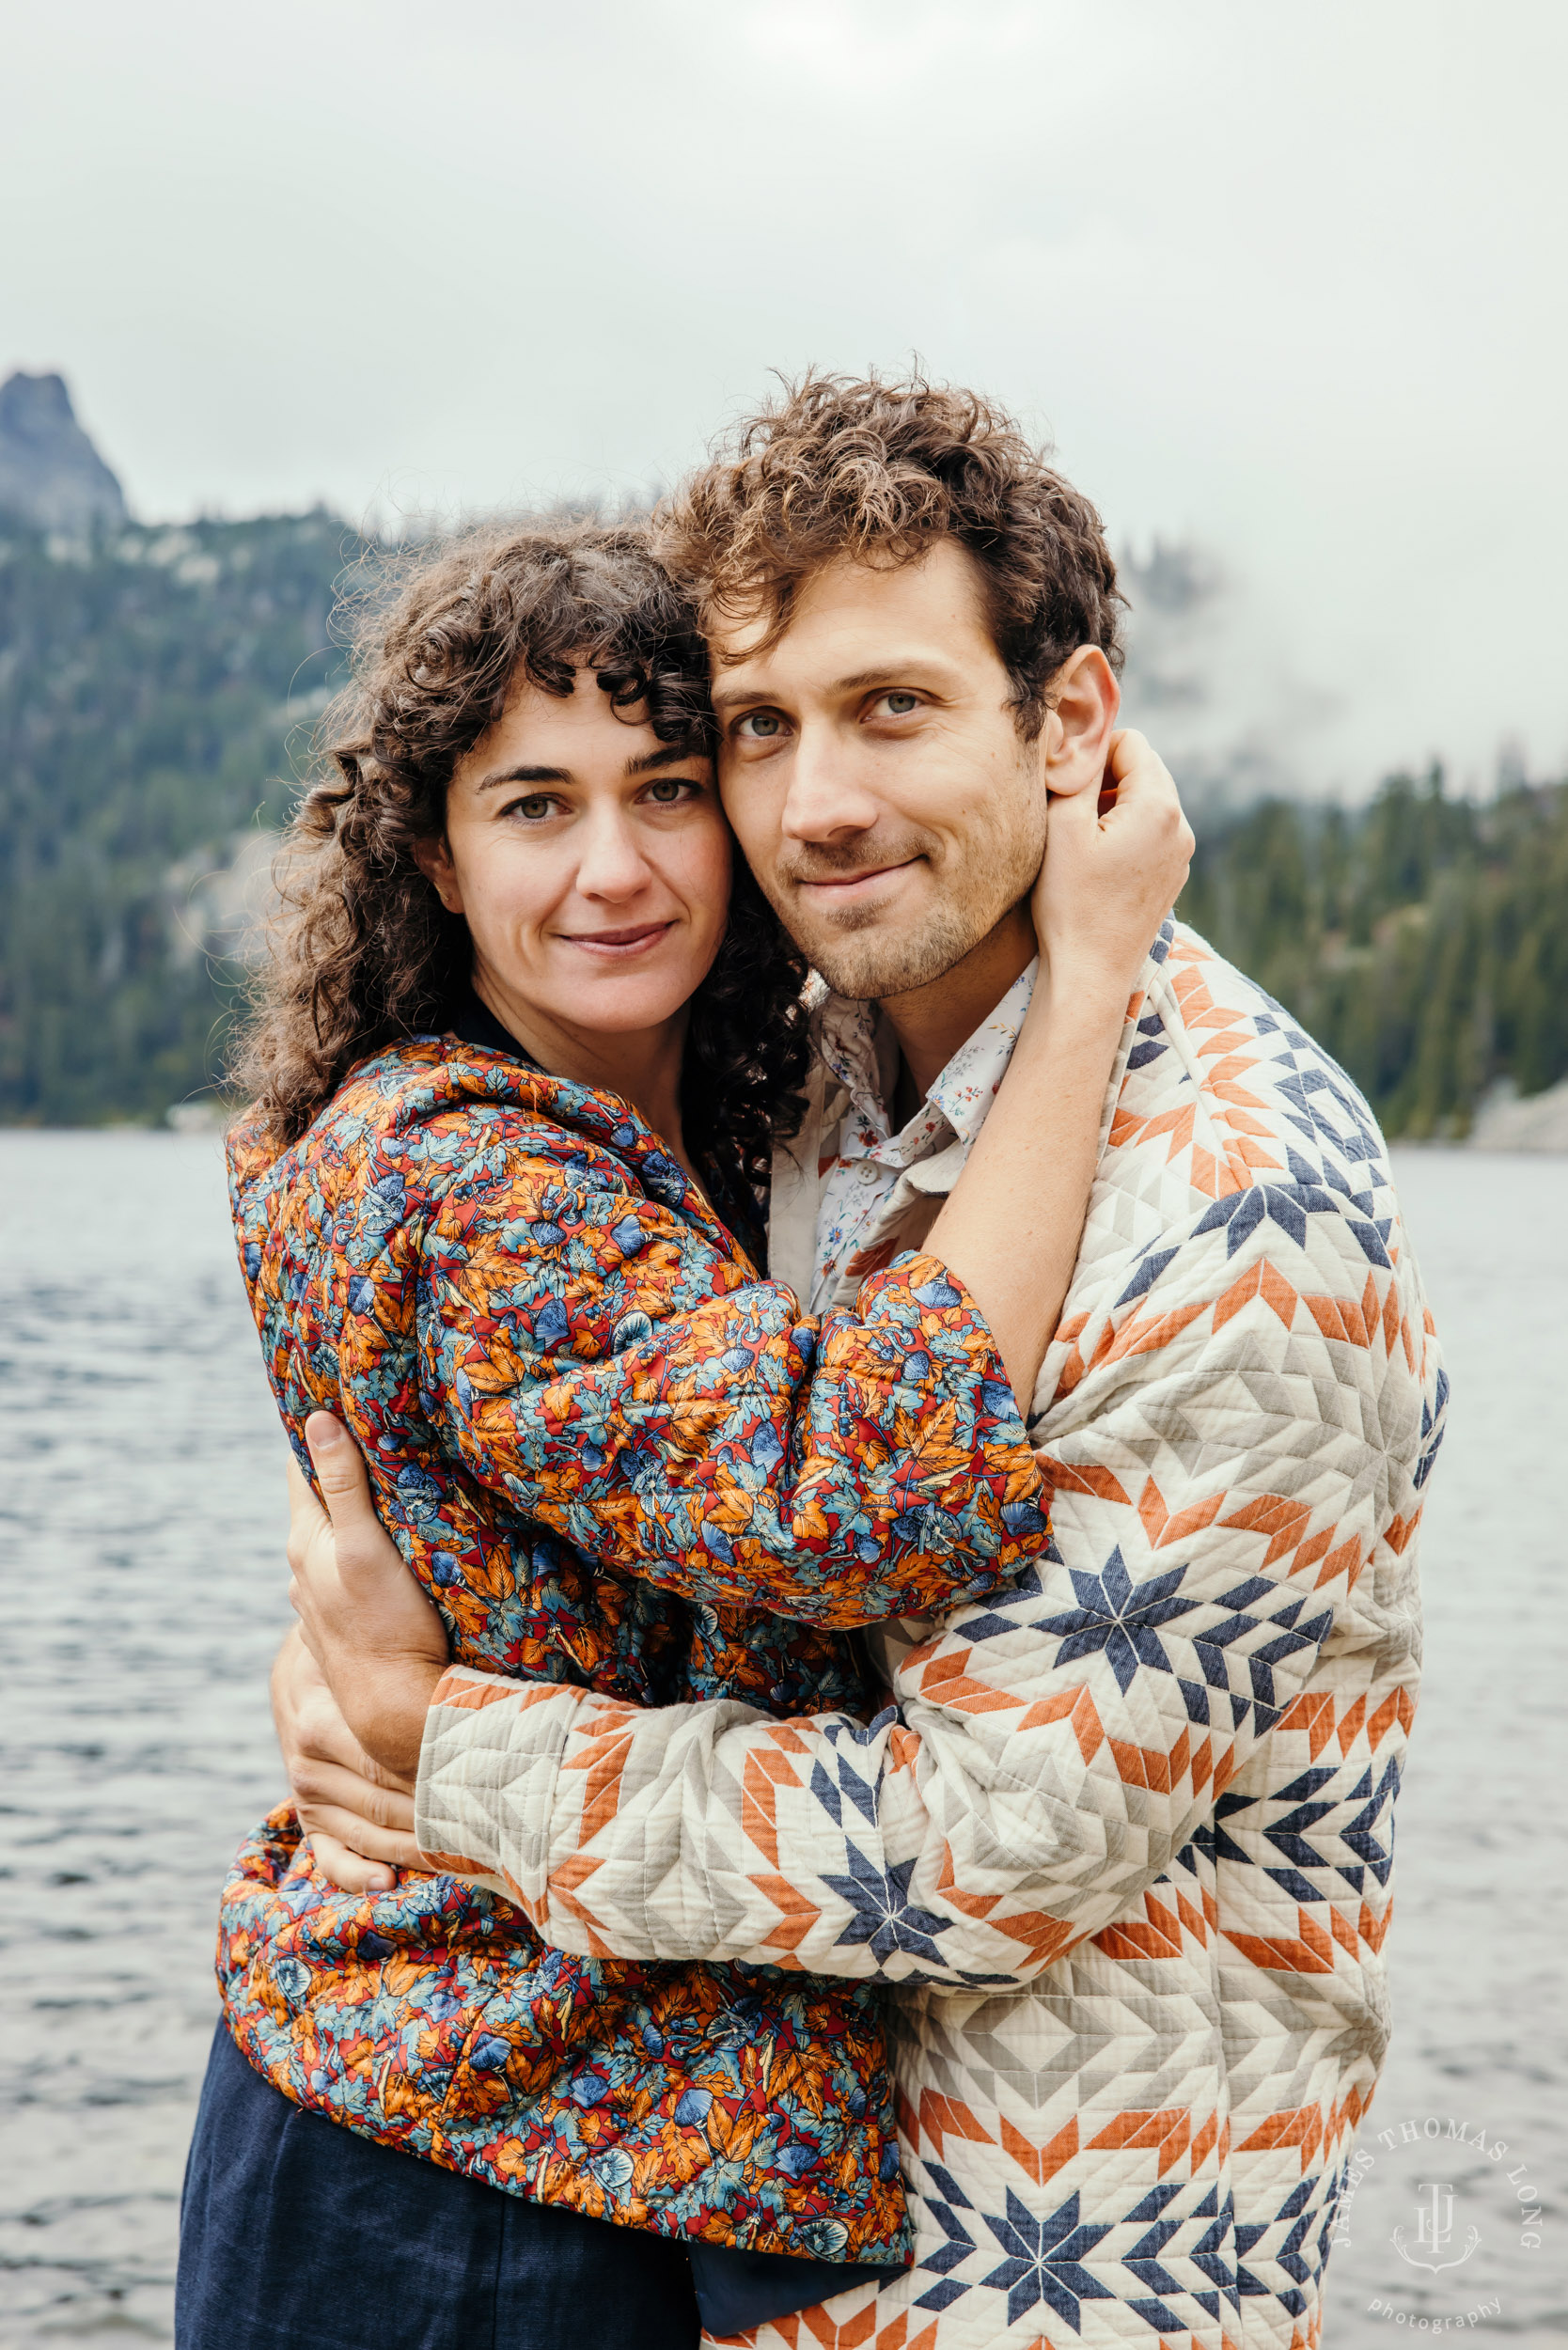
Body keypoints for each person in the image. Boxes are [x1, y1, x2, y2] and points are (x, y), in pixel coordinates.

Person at [285, 376, 1446, 2350]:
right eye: (756, 728)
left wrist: (443, 1747)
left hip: (1059, 2280)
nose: (812, 801)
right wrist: (380, 1609)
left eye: (891, 707)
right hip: (735, 2250)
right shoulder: (812, 1085)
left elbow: (992, 1846)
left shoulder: (1243, 1202)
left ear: (1068, 723)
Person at [178, 517, 1191, 2350]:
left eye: (664, 785)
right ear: (433, 845)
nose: (618, 866)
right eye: (536, 805)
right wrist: (1091, 979)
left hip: (526, 2134)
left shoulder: (676, 1124)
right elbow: (857, 1486)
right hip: (456, 2167)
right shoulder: (469, 1173)